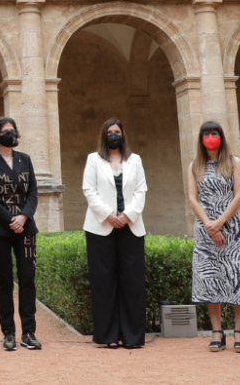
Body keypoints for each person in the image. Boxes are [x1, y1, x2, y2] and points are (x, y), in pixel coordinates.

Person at [187, 121, 240, 353]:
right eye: (206, 133)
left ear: (221, 136)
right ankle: (217, 331)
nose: (210, 136)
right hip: (206, 229)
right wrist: (209, 224)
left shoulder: (234, 163)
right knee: (210, 278)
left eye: (214, 132)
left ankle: (239, 331)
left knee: (238, 277)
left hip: (232, 227)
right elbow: (192, 198)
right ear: (201, 138)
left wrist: (221, 222)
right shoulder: (195, 166)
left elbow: (239, 195)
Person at [82, 118, 147, 349]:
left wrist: (127, 216)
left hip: (131, 226)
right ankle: (108, 336)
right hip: (100, 227)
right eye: (109, 132)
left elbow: (141, 191)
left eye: (117, 131)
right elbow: (89, 190)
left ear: (123, 134)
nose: (113, 135)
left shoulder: (135, 160)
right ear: (104, 135)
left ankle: (132, 337)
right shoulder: (94, 159)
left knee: (132, 282)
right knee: (104, 283)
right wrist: (109, 215)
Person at [0, 116, 41, 351]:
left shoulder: (25, 159)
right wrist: (10, 219)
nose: (10, 134)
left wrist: (24, 216)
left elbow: (33, 190)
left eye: (12, 130)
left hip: (25, 227)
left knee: (27, 278)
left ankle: (29, 332)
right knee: (4, 280)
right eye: (5, 131)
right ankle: (9, 333)